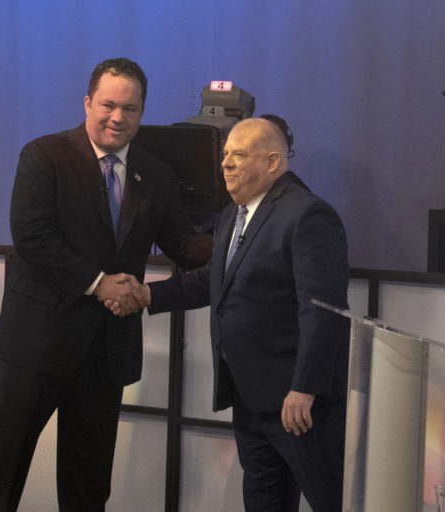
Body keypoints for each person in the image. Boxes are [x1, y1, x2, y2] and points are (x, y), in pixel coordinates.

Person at [0, 57, 211, 512]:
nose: (118, 117)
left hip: (106, 353)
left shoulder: (154, 174)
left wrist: (247, 232)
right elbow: (33, 239)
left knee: (88, 484)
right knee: (3, 471)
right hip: (37, 346)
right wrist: (100, 284)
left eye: (131, 108)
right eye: (108, 104)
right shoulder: (44, 156)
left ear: (142, 112)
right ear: (87, 103)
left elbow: (184, 245)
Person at [111, 117, 350, 511]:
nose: (226, 164)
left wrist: (304, 388)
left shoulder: (307, 216)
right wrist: (145, 295)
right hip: (250, 398)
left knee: (330, 500)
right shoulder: (233, 214)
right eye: (225, 155)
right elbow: (210, 281)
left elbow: (322, 311)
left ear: (273, 161)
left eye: (239, 155)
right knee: (263, 501)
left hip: (298, 405)